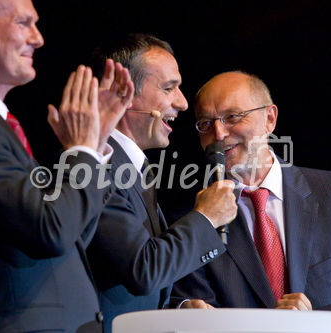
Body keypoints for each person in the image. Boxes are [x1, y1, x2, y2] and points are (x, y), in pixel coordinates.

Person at [0, 0, 134, 332]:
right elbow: (50, 231)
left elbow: (70, 234)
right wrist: (82, 151)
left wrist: (94, 143)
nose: (39, 38)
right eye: (24, 23)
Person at [171, 71, 331, 314]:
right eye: (206, 124)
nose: (219, 134)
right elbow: (195, 307)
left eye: (232, 117)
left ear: (269, 119)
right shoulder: (193, 218)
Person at [86, 33, 238, 333]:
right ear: (122, 92)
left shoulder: (135, 168)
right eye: (169, 88)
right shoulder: (95, 164)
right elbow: (142, 270)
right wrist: (206, 216)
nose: (182, 103)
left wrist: (176, 308)